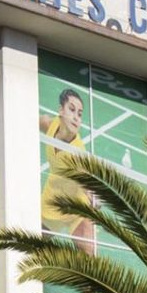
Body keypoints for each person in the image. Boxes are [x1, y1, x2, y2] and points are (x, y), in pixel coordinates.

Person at [39, 88, 95, 255]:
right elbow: (35, 120)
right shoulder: (51, 125)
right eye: (72, 110)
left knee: (91, 261)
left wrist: (93, 197)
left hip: (76, 209)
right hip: (53, 201)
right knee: (27, 247)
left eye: (80, 113)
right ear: (60, 111)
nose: (76, 117)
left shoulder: (78, 153)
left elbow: (88, 182)